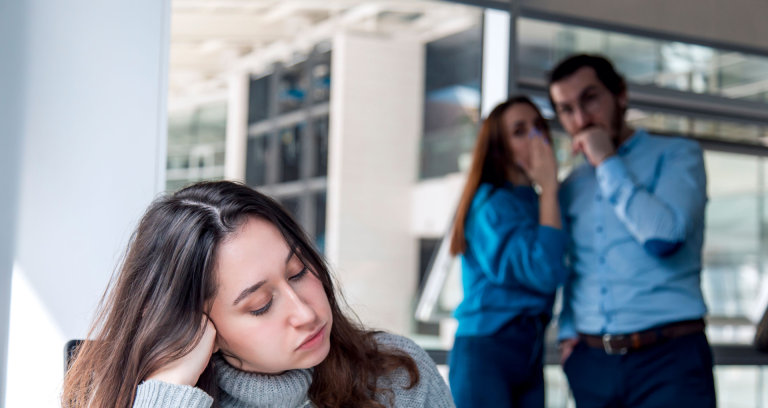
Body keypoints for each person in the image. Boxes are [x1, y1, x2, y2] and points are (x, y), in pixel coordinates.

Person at [61, 181, 455, 408]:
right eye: (260, 306)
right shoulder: (134, 399)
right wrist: (172, 390)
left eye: (299, 271)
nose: (305, 312)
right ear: (195, 323)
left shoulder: (398, 378)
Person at [550, 54, 715, 407]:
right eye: (566, 109)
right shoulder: (572, 185)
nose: (580, 119)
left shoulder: (677, 155)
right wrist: (568, 336)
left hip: (669, 360)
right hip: (591, 364)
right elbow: (575, 267)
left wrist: (607, 161)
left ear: (621, 94)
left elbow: (663, 237)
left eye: (590, 99)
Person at [447, 96, 569, 408]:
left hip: (530, 345)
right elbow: (544, 272)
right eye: (520, 131)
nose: (536, 136)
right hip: (489, 348)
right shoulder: (492, 204)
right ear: (500, 148)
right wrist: (550, 190)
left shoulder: (536, 200)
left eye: (540, 126)